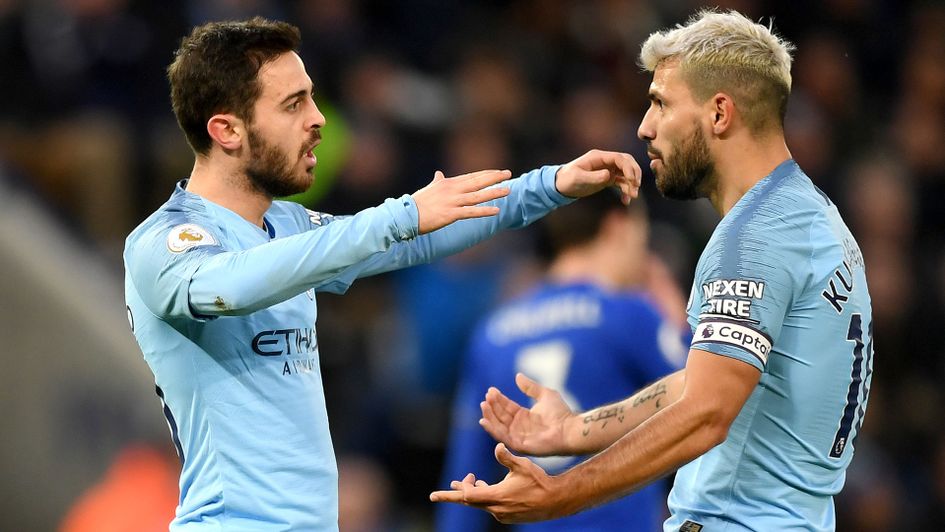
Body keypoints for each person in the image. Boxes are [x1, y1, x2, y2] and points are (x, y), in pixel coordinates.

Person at [122, 17, 641, 531]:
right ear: (227, 130)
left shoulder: (286, 227)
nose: (318, 118)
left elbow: (415, 235)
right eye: (293, 103)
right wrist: (400, 215)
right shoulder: (163, 244)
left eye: (311, 97)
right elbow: (229, 286)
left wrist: (551, 185)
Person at [430, 9, 874, 532]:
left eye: (661, 103)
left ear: (719, 113)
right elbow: (709, 381)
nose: (644, 127)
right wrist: (575, 430)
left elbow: (707, 414)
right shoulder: (813, 217)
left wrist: (561, 495)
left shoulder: (751, 240)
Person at [436, 191, 690, 531]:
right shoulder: (628, 313)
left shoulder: (492, 334)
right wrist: (680, 326)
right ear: (619, 226)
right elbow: (708, 397)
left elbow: (465, 477)